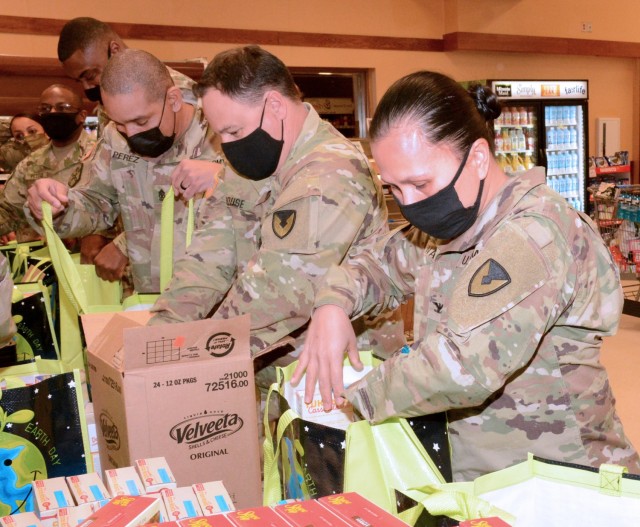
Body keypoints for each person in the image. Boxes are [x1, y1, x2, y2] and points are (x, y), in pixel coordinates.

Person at [294, 71, 640, 482]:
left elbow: (463, 366)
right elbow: (376, 265)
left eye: (420, 183)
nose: (410, 204)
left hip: (562, 484)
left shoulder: (534, 234)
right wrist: (333, 303)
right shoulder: (450, 224)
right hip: (484, 480)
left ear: (477, 158)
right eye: (395, 189)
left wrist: (349, 400)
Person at [149, 45, 405, 371]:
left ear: (274, 106)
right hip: (268, 370)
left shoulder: (331, 173)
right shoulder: (256, 160)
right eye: (220, 134)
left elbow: (280, 293)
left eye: (233, 131)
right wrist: (161, 332)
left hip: (335, 379)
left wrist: (198, 359)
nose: (227, 146)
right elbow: (211, 254)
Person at [26, 49, 221, 292]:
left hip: (216, 307)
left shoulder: (221, 134)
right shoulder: (114, 138)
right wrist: (55, 205)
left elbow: (261, 208)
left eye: (141, 122)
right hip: (148, 300)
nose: (131, 136)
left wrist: (221, 179)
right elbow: (96, 203)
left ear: (173, 100)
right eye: (119, 124)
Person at [57, 17, 197, 134]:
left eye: (90, 75)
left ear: (114, 50)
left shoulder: (178, 91)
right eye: (79, 81)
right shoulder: (110, 93)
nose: (87, 87)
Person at [0, 85, 96, 245]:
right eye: (45, 108)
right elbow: (9, 211)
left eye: (62, 108)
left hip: (92, 261)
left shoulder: (102, 154)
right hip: (43, 261)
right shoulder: (31, 162)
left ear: (82, 115)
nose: (53, 113)